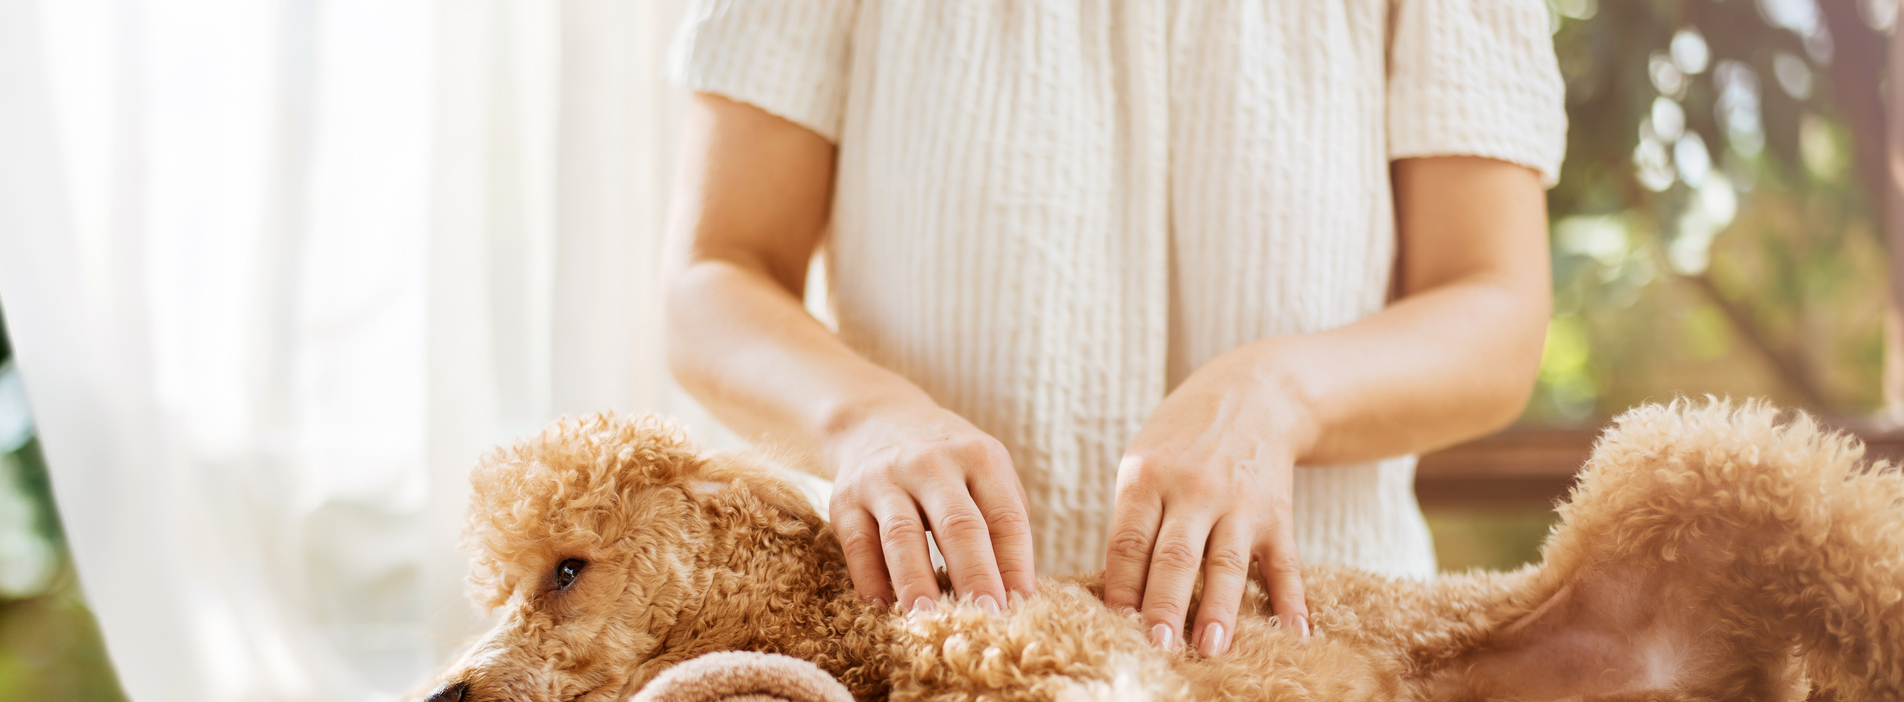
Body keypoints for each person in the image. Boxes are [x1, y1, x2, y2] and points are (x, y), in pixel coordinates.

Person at [661, 2, 1564, 659]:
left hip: (1327, 680)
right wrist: (862, 418)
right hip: (928, 670)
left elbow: (1494, 309)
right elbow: (715, 276)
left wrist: (1278, 396)